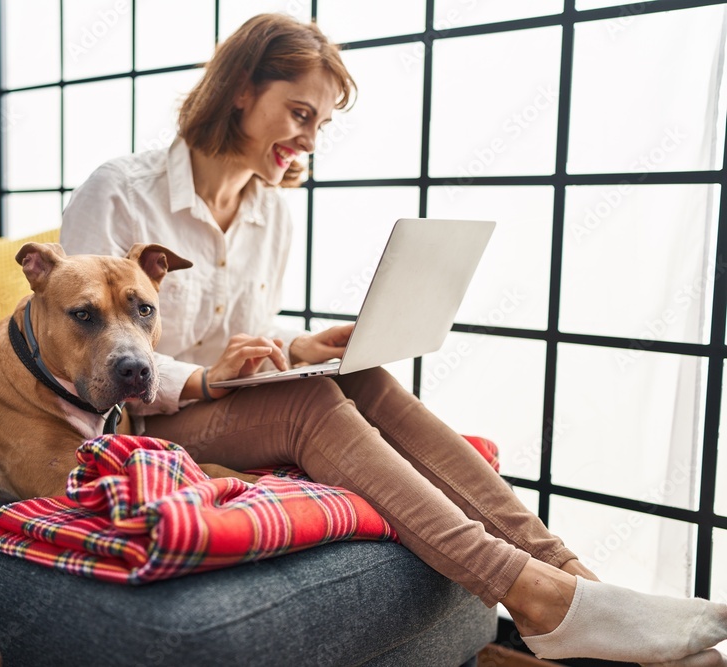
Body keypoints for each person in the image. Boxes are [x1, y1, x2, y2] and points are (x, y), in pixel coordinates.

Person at [59, 13, 727, 665]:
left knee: (362, 378)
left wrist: (297, 349)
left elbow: (242, 339)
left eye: (320, 123)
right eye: (299, 114)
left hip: (228, 399)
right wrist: (202, 379)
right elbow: (85, 349)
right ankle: (535, 596)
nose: (310, 139)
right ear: (241, 90)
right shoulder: (120, 192)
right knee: (308, 407)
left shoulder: (271, 215)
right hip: (148, 419)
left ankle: (580, 582)